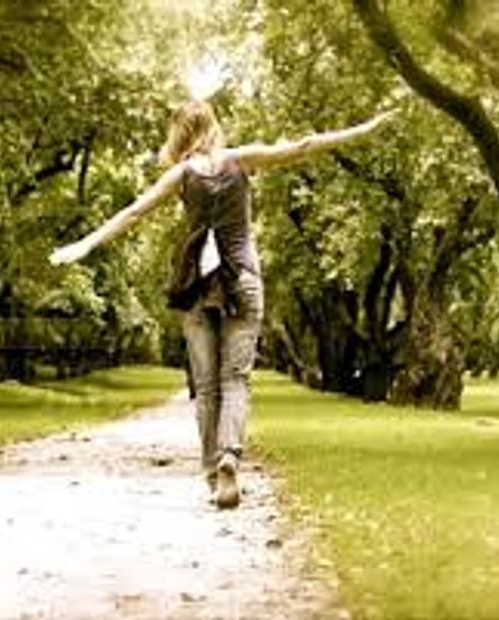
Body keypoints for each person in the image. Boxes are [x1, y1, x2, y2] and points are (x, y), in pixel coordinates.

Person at [50, 100, 394, 509]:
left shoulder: (181, 175)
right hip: (243, 278)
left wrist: (83, 245)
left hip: (198, 285)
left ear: (179, 133)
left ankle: (213, 470)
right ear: (213, 126)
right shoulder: (241, 160)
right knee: (236, 379)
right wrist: (365, 127)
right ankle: (231, 457)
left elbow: (134, 212)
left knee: (207, 386)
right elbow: (303, 145)